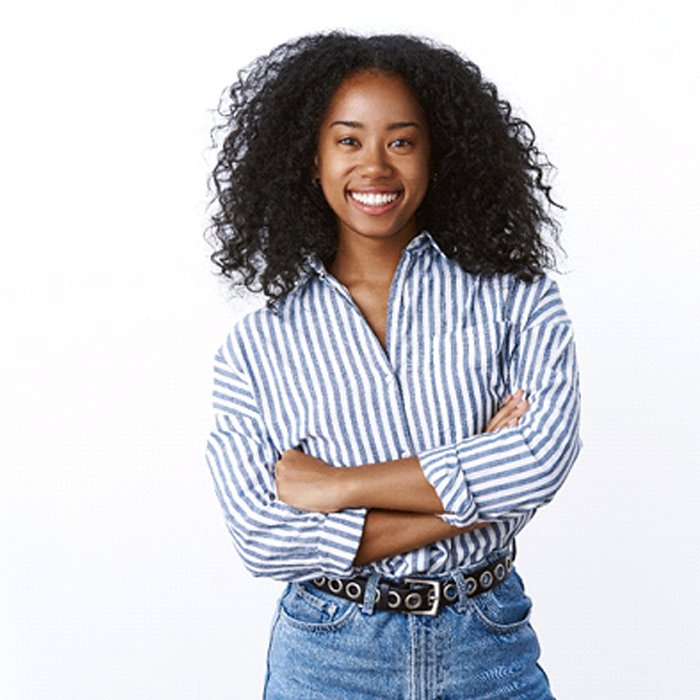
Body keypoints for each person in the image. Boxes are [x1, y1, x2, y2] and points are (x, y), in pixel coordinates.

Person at [205, 31, 582, 700]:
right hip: (328, 654)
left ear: (439, 156)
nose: (375, 167)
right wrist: (482, 492)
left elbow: (542, 458)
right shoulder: (255, 350)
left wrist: (338, 487)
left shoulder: (516, 298)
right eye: (348, 140)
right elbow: (264, 538)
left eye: (400, 141)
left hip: (487, 644)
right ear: (309, 158)